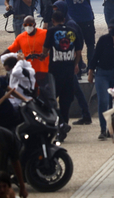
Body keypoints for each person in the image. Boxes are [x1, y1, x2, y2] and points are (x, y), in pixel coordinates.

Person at [40, 11, 83, 141]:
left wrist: (42, 56)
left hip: (55, 71)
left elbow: (45, 50)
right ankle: (63, 129)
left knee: (51, 100)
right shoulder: (72, 31)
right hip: (69, 71)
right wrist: (75, 64)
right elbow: (79, 51)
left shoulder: (51, 31)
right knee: (66, 101)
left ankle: (60, 124)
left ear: (53, 20)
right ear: (64, 19)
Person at [88, 18, 114, 140]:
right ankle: (103, 129)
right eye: (110, 27)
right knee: (103, 101)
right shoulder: (104, 39)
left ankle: (113, 128)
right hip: (102, 73)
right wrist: (91, 72)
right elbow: (95, 56)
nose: (112, 29)